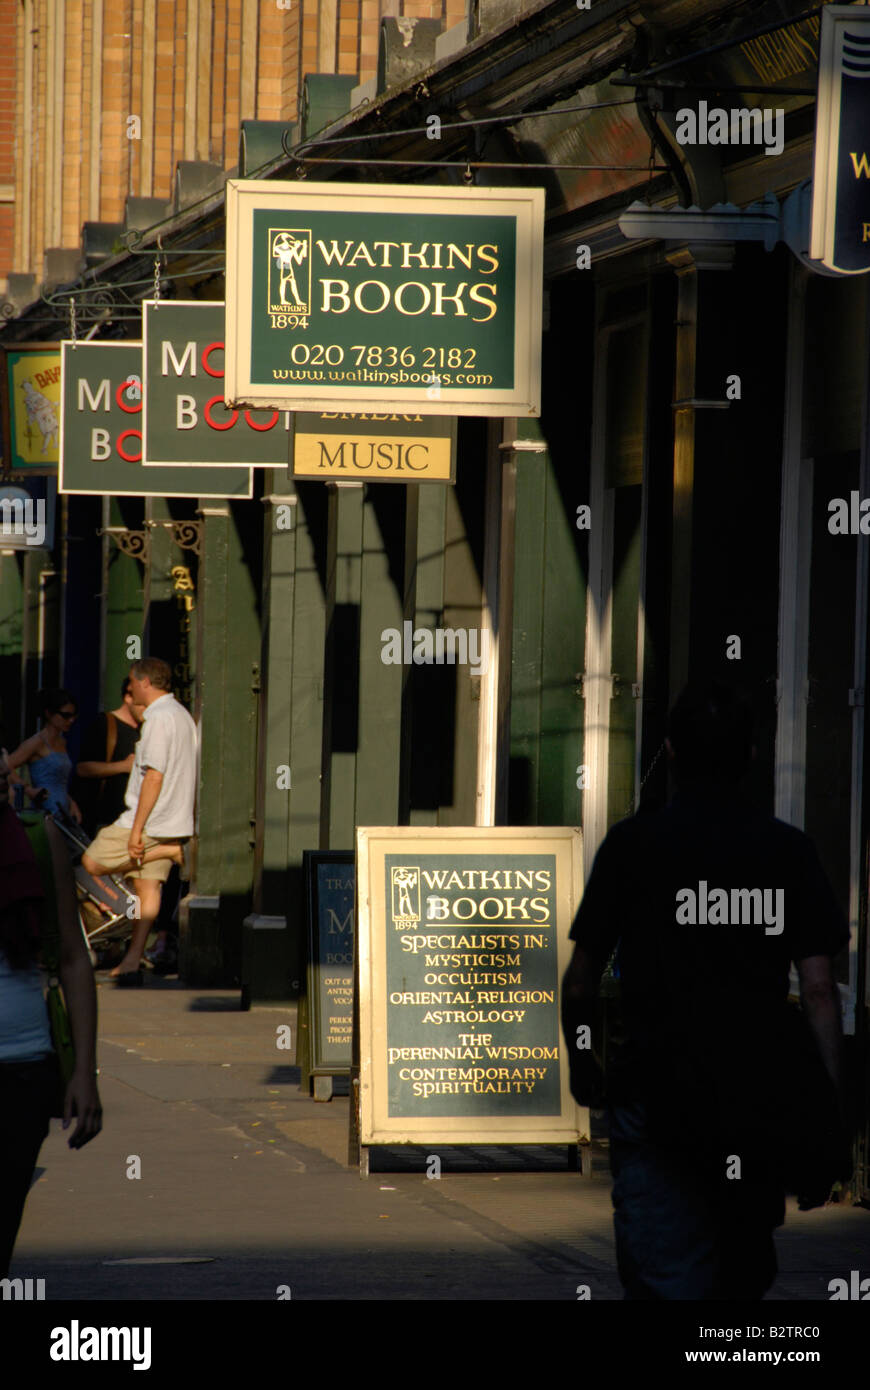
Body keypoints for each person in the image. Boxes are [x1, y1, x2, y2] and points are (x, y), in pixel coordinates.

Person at [561, 681, 849, 1301]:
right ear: (749, 755)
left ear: (670, 751)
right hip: (754, 1098)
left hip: (655, 1094)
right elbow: (821, 989)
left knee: (663, 1269)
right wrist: (828, 1105)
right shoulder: (787, 852)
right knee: (738, 1273)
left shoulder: (632, 847)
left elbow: (582, 975)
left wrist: (582, 1060)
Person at [0, 752, 102, 1278]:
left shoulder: (38, 841)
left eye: (3, 770)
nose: (5, 780)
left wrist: (85, 1073)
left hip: (23, 1068)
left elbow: (72, 959)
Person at [81, 657, 197, 984]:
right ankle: (132, 960)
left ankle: (172, 853)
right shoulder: (182, 716)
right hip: (171, 820)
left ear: (145, 682)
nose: (129, 689)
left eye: (132, 682)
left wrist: (135, 831)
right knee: (148, 888)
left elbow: (154, 777)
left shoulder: (159, 720)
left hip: (148, 819)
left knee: (91, 862)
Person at [74, 677, 144, 836]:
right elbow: (82, 768)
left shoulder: (147, 728)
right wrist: (123, 766)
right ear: (128, 697)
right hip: (104, 817)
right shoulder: (104, 724)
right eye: (142, 703)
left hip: (133, 818)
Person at [5, 687, 82, 822]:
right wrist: (28, 789)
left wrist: (71, 802)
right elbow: (7, 765)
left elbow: (59, 781)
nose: (71, 720)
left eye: (74, 716)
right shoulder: (37, 742)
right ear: (49, 714)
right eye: (65, 715)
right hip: (45, 813)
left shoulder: (62, 742)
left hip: (63, 812)